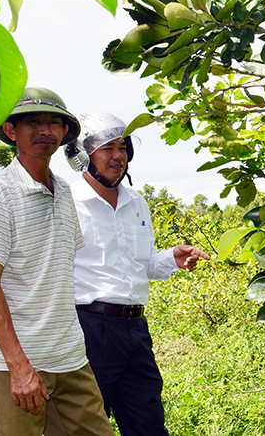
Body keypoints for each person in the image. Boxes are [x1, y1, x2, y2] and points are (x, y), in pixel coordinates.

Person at [0, 88, 114, 436]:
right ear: (10, 130)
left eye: (54, 123)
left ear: (65, 133)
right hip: (13, 365)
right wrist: (19, 367)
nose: (45, 131)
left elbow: (61, 270)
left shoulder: (63, 191)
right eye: (33, 122)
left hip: (70, 358)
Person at [64, 110, 210, 436]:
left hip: (135, 329)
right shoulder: (67, 202)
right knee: (86, 426)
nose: (119, 156)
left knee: (147, 424)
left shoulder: (137, 202)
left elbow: (141, 265)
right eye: (108, 148)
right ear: (85, 155)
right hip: (89, 328)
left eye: (123, 147)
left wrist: (171, 258)